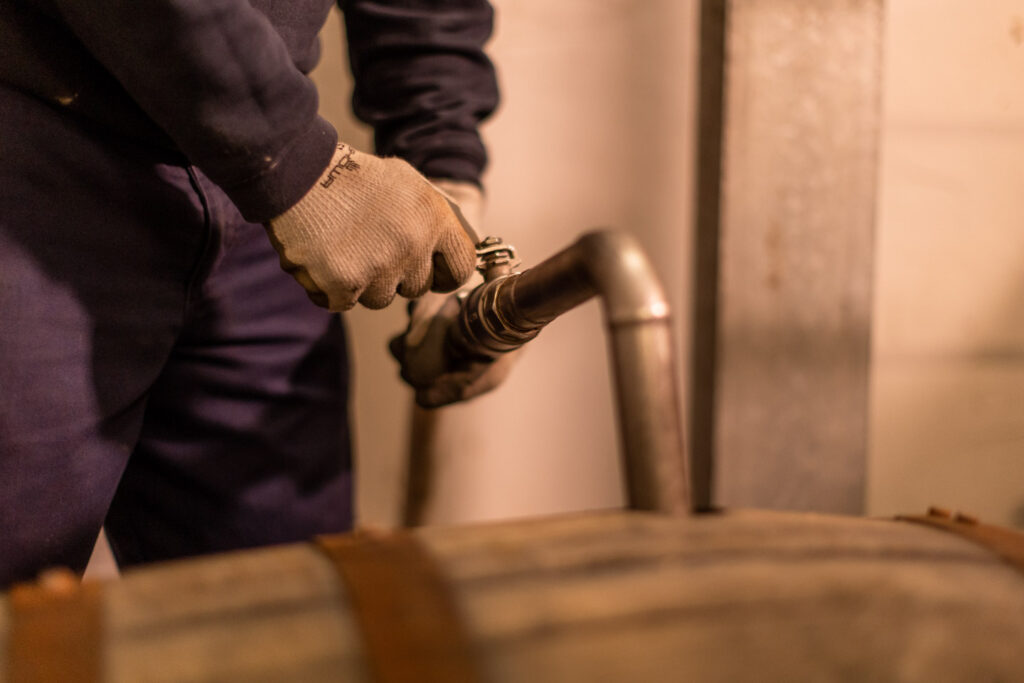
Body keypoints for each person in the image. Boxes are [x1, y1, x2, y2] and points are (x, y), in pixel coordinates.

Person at [0, 0, 502, 588]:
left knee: (290, 616)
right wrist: (289, 157)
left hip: (260, 208)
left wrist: (444, 172)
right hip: (31, 151)